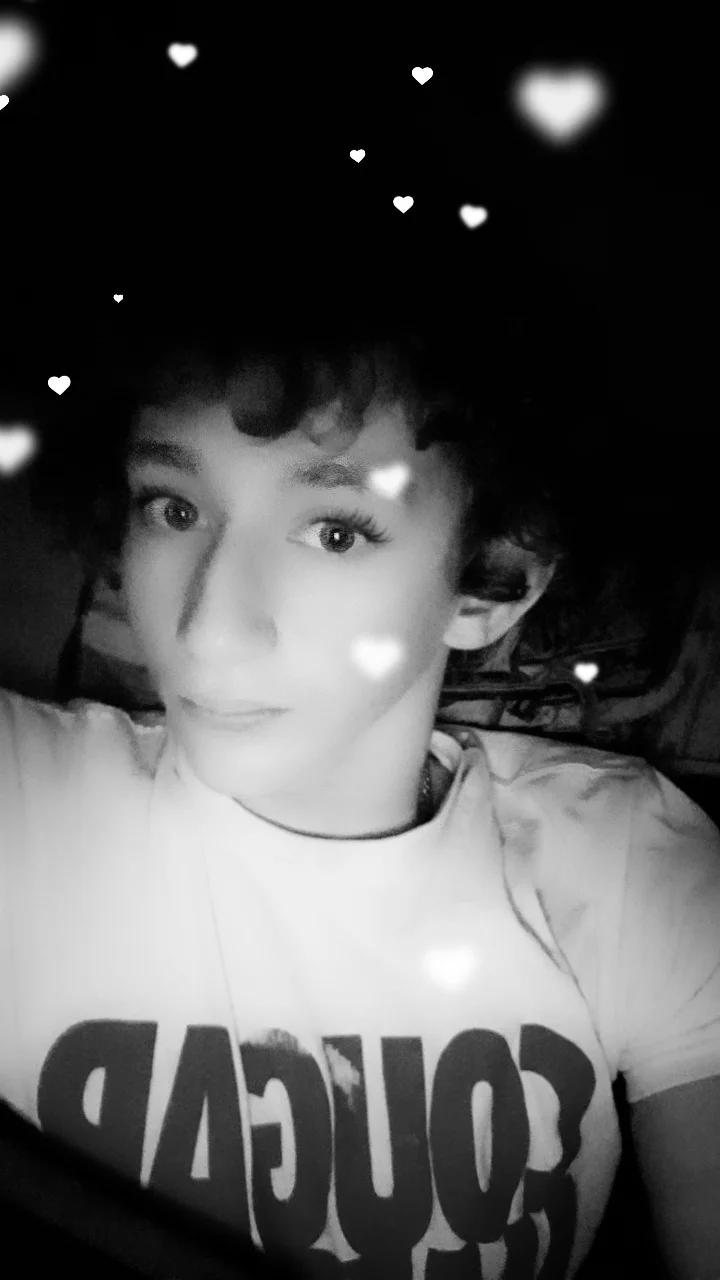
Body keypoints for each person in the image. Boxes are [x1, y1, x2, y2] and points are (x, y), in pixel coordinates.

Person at [3, 303, 720, 1279]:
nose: (209, 628)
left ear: (492, 582)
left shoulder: (627, 861)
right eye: (172, 508)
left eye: (336, 532)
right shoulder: (24, 802)